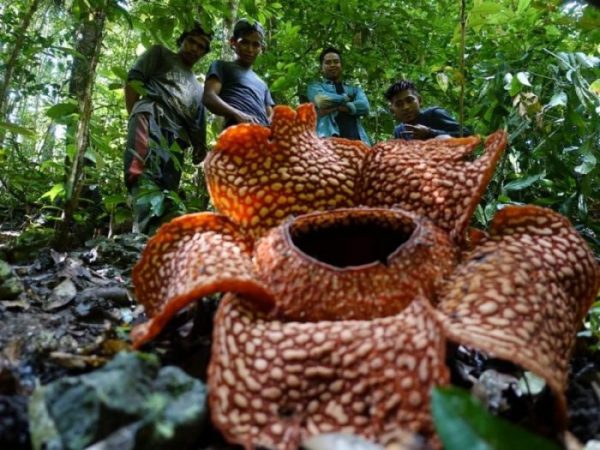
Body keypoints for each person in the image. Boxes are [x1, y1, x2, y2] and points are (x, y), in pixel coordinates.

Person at [124, 23, 212, 232]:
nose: (195, 49)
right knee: (141, 171)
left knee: (168, 187)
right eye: (191, 41)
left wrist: (201, 148)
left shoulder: (199, 89)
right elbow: (133, 80)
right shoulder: (160, 54)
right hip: (152, 114)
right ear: (182, 40)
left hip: (178, 138)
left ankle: (160, 237)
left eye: (201, 47)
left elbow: (198, 125)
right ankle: (142, 232)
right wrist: (136, 114)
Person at [203, 19, 274, 128]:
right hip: (236, 133)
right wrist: (237, 114)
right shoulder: (222, 66)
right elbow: (209, 97)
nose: (250, 49)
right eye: (244, 42)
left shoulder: (262, 84)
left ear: (261, 49)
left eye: (255, 45)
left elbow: (270, 115)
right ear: (233, 42)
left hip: (263, 137)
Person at [306, 47, 371, 145]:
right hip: (329, 144)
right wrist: (346, 99)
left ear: (341, 65)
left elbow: (365, 106)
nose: (332, 65)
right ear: (321, 68)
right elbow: (321, 101)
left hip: (357, 142)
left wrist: (334, 107)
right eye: (328, 62)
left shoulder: (354, 89)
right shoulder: (314, 87)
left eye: (336, 62)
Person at [384, 80, 472, 140]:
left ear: (419, 100)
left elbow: (467, 135)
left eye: (409, 100)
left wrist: (431, 133)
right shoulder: (399, 131)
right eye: (399, 104)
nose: (406, 107)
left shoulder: (434, 114)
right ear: (392, 110)